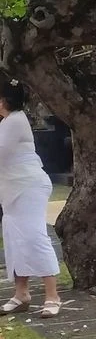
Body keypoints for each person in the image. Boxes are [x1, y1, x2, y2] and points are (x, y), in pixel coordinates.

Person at [0, 81, 62, 318]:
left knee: (35, 237)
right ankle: (21, 293)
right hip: (11, 190)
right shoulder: (7, 121)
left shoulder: (16, 119)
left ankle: (52, 295)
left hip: (28, 187)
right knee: (15, 239)